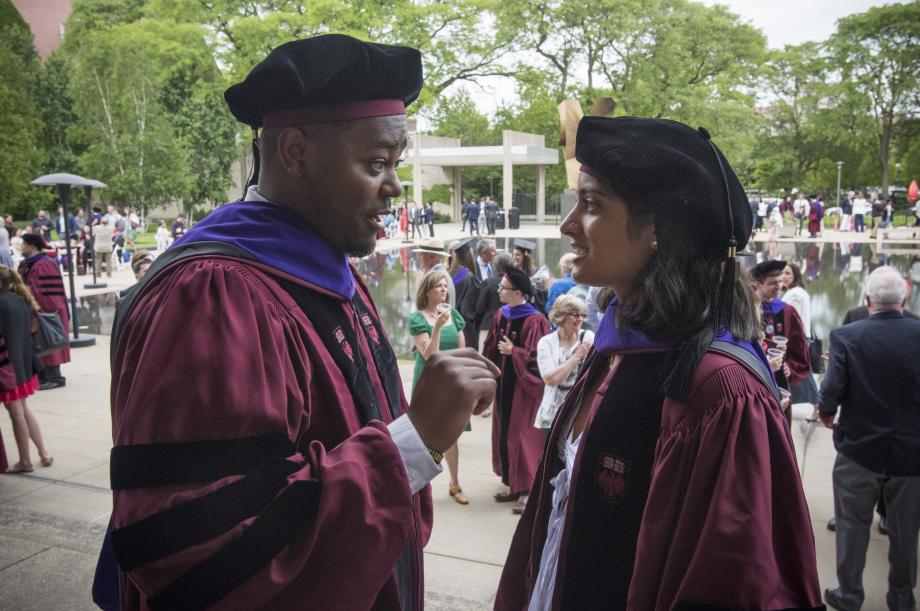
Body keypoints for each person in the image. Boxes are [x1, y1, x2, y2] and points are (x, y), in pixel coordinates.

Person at [99, 35, 498, 611]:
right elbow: (206, 553)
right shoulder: (215, 294)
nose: (395, 188)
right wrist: (415, 441)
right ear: (295, 152)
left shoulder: (326, 268)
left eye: (396, 165)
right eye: (376, 163)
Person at [495, 116, 821, 609]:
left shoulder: (721, 389)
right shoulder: (616, 350)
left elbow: (732, 584)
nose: (566, 226)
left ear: (655, 230)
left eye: (591, 205)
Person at [819, 266, 920, 611]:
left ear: (868, 300)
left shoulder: (847, 336)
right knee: (906, 531)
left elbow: (832, 387)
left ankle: (849, 595)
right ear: (904, 298)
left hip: (860, 448)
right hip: (912, 452)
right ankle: (902, 597)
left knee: (851, 524)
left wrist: (826, 410)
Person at [483, 266, 550, 515]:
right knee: (505, 434)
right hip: (504, 386)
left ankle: (527, 489)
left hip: (524, 390)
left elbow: (539, 360)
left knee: (523, 436)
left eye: (503, 287)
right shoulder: (502, 314)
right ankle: (513, 483)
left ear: (519, 292)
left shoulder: (535, 320)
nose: (498, 290)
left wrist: (516, 353)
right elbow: (490, 347)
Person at [409, 270, 469, 505]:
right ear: (427, 291)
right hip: (428, 380)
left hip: (451, 379)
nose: (444, 290)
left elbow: (462, 350)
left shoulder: (454, 315)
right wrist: (437, 329)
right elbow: (428, 354)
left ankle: (455, 483)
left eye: (446, 286)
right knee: (423, 435)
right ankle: (417, 486)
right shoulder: (418, 318)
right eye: (439, 286)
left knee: (451, 434)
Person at [0, 266, 52, 473]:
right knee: (23, 410)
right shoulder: (20, 300)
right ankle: (44, 453)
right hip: (23, 364)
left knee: (16, 414)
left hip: (7, 368)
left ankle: (25, 461)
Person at [534, 295, 593, 437]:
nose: (580, 319)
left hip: (580, 410)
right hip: (552, 413)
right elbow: (551, 380)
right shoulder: (546, 342)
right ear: (561, 315)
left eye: (583, 315)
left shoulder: (589, 338)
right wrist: (576, 356)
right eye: (575, 314)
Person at [751, 259, 811, 398]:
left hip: (779, 379)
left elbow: (799, 348)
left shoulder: (787, 311)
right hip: (755, 376)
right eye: (773, 283)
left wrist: (790, 367)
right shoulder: (747, 309)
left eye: (780, 281)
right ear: (760, 283)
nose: (779, 286)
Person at [18, 234, 69, 390]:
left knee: (47, 341)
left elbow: (47, 293)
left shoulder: (44, 264)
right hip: (32, 310)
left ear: (32, 247)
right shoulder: (26, 264)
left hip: (47, 310)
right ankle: (42, 376)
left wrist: (37, 308)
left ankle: (55, 377)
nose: (21, 247)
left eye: (23, 244)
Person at [781, 262, 820, 414]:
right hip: (801, 337)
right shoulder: (798, 291)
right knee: (801, 371)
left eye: (788, 273)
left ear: (795, 275)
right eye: (782, 273)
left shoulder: (795, 294)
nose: (783, 277)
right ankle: (816, 404)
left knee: (803, 372)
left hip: (797, 338)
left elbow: (792, 319)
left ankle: (817, 404)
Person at [449, 237, 483, 351]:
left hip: (449, 325)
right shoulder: (470, 278)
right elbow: (470, 310)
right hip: (465, 329)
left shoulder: (450, 274)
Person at [476, 251, 514, 349]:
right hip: (510, 325)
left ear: (495, 266)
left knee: (485, 360)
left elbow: (480, 308)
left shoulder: (488, 283)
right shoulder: (515, 284)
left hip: (488, 325)